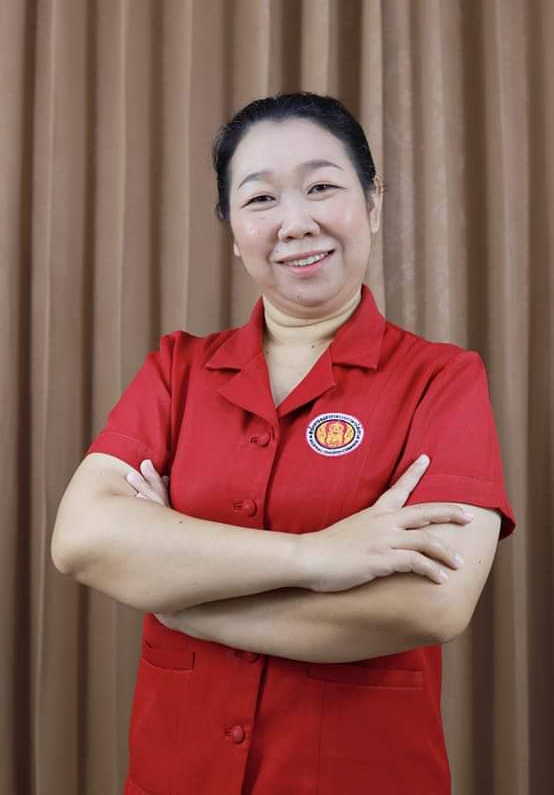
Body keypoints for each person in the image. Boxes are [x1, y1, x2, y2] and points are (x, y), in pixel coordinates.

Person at [51, 91, 516, 795]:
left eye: (322, 187)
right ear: (234, 232)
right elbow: (82, 540)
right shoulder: (177, 370)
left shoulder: (440, 379)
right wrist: (320, 557)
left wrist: (186, 600)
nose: (296, 222)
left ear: (373, 202)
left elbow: (433, 604)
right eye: (260, 199)